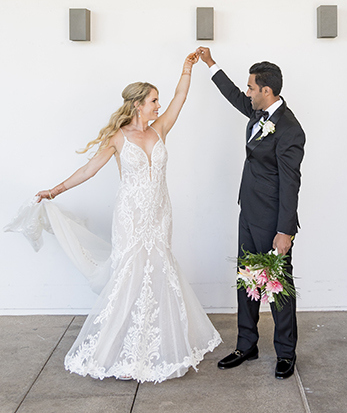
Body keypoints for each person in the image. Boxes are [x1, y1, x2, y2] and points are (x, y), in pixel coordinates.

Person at [35, 52, 221, 382]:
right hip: (131, 216)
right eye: (153, 101)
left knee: (161, 270)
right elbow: (89, 170)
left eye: (158, 101)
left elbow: (181, 97)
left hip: (160, 213)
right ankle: (117, 348)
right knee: (130, 273)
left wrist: (187, 69)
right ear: (138, 104)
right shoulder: (118, 138)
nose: (158, 106)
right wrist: (56, 189)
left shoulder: (160, 129)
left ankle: (160, 344)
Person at [196, 47, 305, 379]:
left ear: (266, 91)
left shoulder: (289, 129)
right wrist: (212, 64)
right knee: (246, 281)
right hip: (249, 214)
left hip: (273, 222)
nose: (247, 93)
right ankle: (247, 344)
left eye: (251, 88)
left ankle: (286, 353)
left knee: (276, 286)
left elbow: (290, 184)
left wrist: (284, 231)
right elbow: (232, 95)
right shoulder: (258, 113)